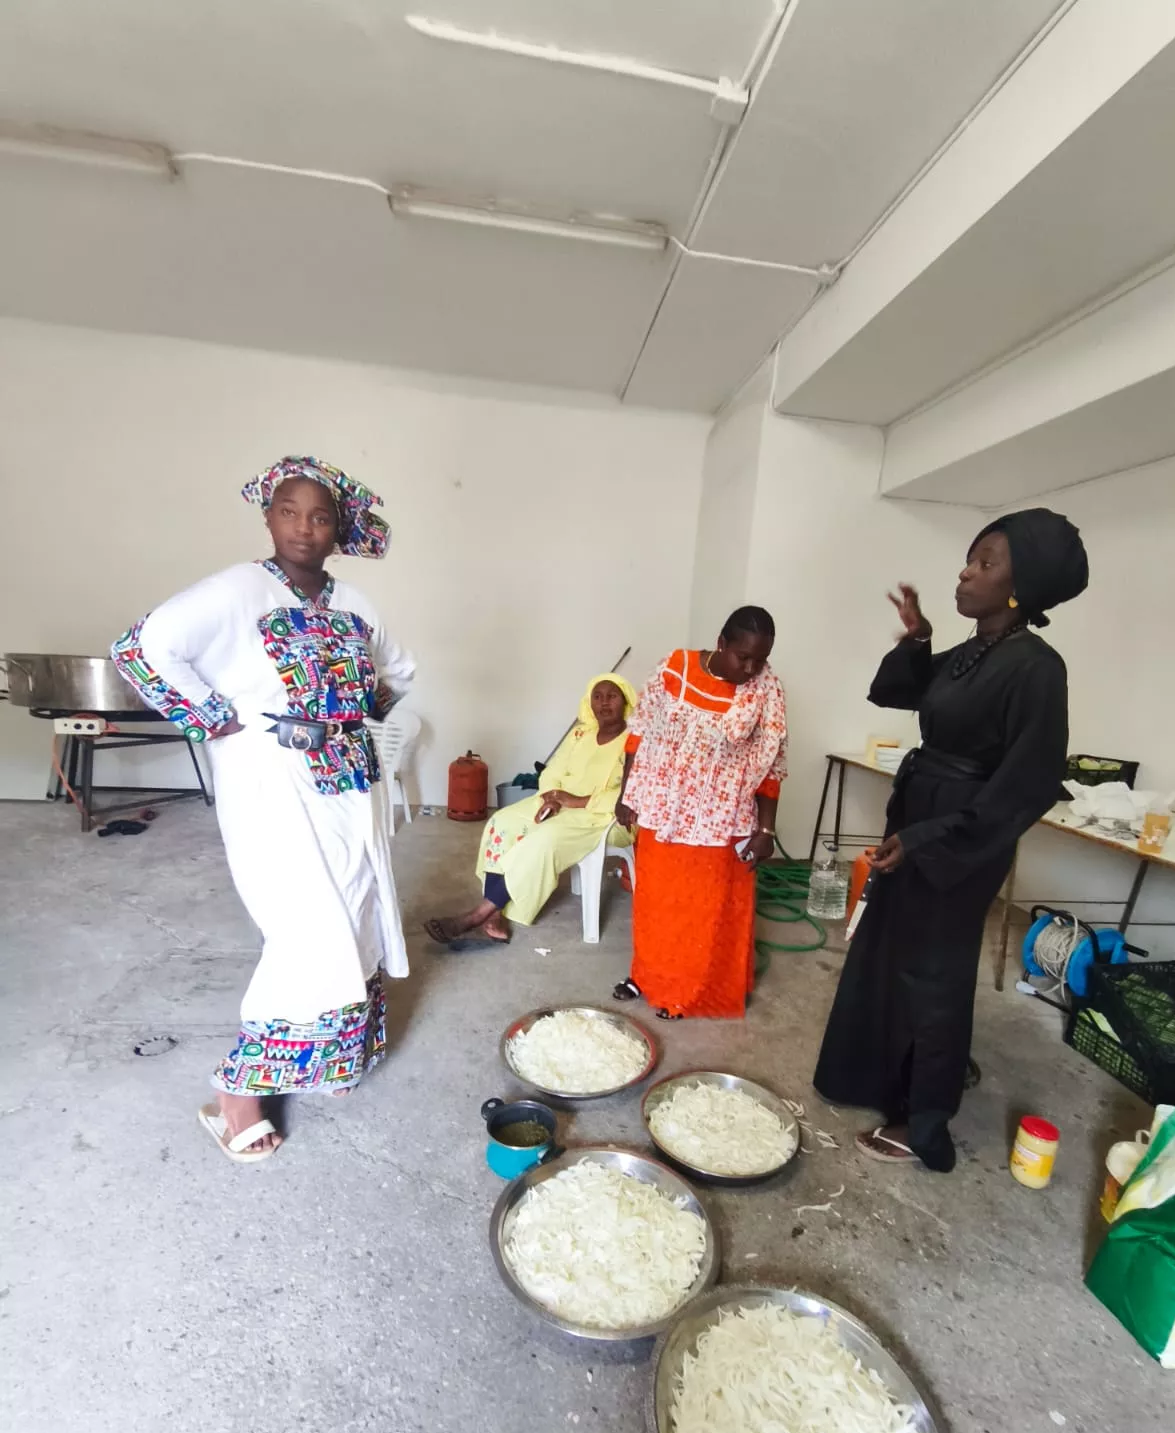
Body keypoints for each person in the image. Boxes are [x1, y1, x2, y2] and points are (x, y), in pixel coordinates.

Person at [112, 455, 415, 1163]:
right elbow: (142, 648)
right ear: (268, 517)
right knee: (306, 924)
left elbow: (396, 672)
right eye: (289, 511)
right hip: (270, 782)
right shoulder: (239, 588)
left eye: (319, 515)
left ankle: (327, 1059)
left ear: (340, 527)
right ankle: (237, 1093)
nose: (304, 527)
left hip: (348, 780)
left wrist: (357, 709)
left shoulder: (356, 603)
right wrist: (214, 717)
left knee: (357, 908)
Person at [813, 508, 1089, 1173]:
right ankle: (877, 1078)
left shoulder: (1037, 668)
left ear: (1022, 588)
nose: (965, 572)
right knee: (886, 948)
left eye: (986, 563)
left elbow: (1027, 784)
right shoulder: (971, 652)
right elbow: (897, 692)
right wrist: (918, 638)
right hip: (920, 814)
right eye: (969, 558)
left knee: (934, 972)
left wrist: (933, 839)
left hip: (964, 834)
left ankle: (924, 1122)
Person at [612, 607, 787, 1019]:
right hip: (662, 810)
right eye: (743, 657)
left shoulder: (767, 690)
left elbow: (772, 764)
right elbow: (639, 733)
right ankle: (647, 976)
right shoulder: (675, 667)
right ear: (721, 643)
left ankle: (687, 991)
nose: (751, 668)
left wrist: (766, 829)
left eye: (760, 659)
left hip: (721, 820)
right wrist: (626, 795)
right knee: (656, 902)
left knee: (704, 911)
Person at [424, 674, 637, 943]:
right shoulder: (581, 733)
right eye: (598, 696)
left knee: (543, 838)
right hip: (559, 803)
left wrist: (576, 801)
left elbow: (632, 794)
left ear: (626, 700)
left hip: (602, 817)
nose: (604, 703)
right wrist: (552, 797)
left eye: (612, 696)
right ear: (589, 702)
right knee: (502, 822)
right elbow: (554, 770)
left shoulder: (634, 740)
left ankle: (479, 914)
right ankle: (494, 915)